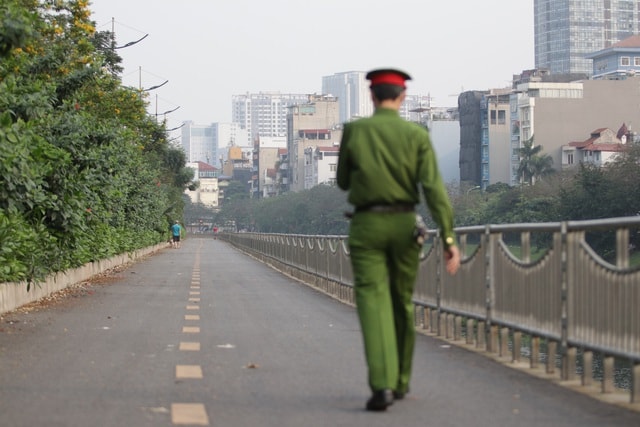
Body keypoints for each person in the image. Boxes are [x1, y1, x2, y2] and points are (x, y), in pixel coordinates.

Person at [336, 68, 461, 412]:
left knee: (372, 302)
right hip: (406, 225)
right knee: (401, 302)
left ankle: (381, 384)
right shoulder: (416, 134)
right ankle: (402, 381)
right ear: (402, 97)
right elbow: (434, 189)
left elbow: (344, 182)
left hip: (366, 226)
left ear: (372, 97)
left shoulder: (355, 131)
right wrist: (448, 237)